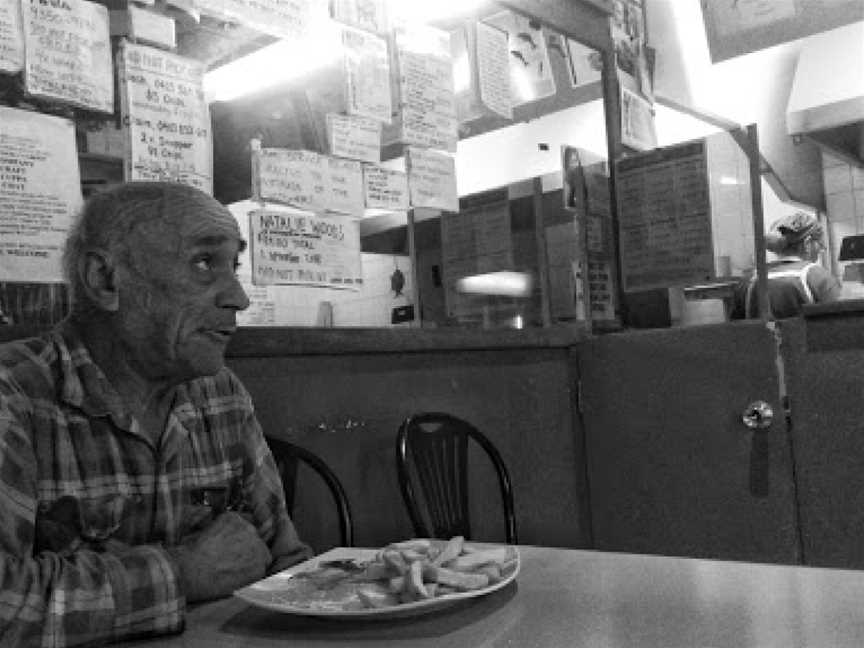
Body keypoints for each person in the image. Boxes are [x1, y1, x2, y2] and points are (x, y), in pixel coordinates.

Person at [0, 182, 312, 647]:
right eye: (205, 263)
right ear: (106, 280)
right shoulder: (15, 397)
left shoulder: (221, 394)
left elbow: (286, 563)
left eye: (235, 265)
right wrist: (181, 574)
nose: (239, 298)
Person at [734, 211, 841, 319]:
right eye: (820, 244)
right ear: (807, 243)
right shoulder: (817, 277)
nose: (822, 249)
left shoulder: (749, 280)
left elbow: (738, 330)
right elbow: (840, 323)